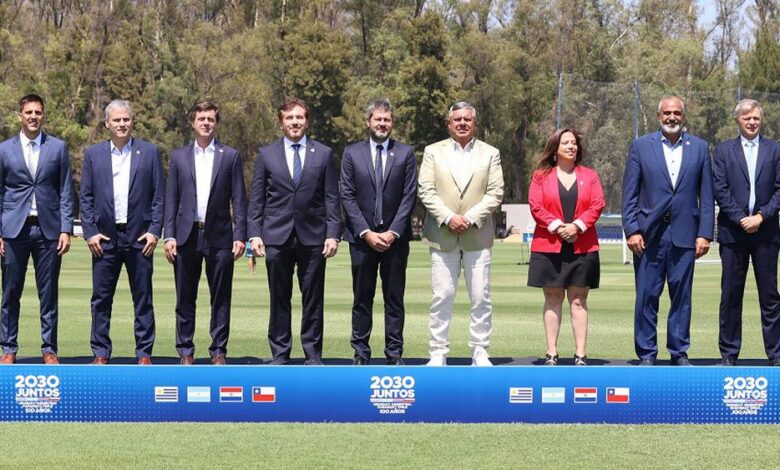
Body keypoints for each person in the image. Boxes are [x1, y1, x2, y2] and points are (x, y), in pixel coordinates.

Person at [622, 95, 714, 366]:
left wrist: (705, 233)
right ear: (658, 116)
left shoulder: (700, 148)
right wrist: (632, 230)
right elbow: (629, 194)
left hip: (686, 235)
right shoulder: (640, 146)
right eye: (667, 113)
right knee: (646, 297)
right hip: (647, 237)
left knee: (682, 298)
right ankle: (647, 353)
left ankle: (679, 352)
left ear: (683, 117)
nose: (672, 117)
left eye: (677, 113)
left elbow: (706, 196)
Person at [247, 97, 341, 365]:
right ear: (281, 123)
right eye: (289, 118)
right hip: (277, 236)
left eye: (299, 117)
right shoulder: (267, 154)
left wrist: (333, 233)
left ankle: (312, 354)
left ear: (307, 121)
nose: (295, 122)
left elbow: (331, 197)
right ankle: (280, 353)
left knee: (313, 298)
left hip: (314, 237)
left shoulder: (323, 153)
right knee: (279, 297)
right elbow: (257, 198)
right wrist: (254, 234)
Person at [418, 101, 504, 366]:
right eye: (457, 119)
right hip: (443, 235)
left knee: (480, 297)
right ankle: (438, 351)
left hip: (477, 235)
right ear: (449, 123)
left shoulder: (490, 153)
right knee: (442, 296)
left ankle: (480, 351)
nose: (462, 123)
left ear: (475, 123)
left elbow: (496, 192)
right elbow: (426, 190)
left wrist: (469, 218)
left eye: (467, 119)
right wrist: (448, 218)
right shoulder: (433, 152)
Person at [79, 100, 164, 365]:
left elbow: (158, 196)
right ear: (107, 123)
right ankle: (100, 352)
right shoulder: (93, 154)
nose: (122, 124)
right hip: (104, 239)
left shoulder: (149, 152)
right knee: (101, 299)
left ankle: (144, 353)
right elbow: (86, 197)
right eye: (116, 120)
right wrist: (90, 232)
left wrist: (154, 231)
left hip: (140, 238)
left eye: (126, 119)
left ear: (132, 121)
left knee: (143, 298)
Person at [164, 99, 247, 365]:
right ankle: (185, 351)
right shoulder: (179, 156)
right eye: (201, 119)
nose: (206, 123)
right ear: (193, 123)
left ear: (216, 123)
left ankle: (218, 350)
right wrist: (169, 235)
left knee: (220, 297)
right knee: (184, 297)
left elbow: (239, 199)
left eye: (210, 119)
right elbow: (171, 198)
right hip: (186, 235)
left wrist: (240, 235)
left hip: (220, 236)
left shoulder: (230, 156)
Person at [341, 99, 417, 365]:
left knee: (394, 299)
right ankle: (361, 353)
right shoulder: (351, 153)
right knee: (362, 298)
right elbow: (347, 196)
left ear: (392, 123)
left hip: (395, 241)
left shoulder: (405, 153)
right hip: (362, 240)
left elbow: (409, 196)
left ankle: (394, 353)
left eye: (387, 119)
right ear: (368, 122)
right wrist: (365, 232)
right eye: (378, 119)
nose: (382, 124)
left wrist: (393, 232)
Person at [0, 94, 74, 365]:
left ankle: (49, 349)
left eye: (38, 112)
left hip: (49, 231)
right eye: (29, 112)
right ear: (20, 115)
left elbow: (65, 190)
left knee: (49, 293)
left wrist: (66, 229)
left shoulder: (58, 147)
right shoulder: (4, 149)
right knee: (10, 293)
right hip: (13, 231)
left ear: (43, 115)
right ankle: (9, 349)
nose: (33, 117)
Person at [527, 129, 604, 366]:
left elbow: (597, 204)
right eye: (566, 143)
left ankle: (581, 354)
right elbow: (536, 206)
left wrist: (576, 227)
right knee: (552, 298)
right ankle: (551, 353)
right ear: (555, 148)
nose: (571, 146)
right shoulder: (540, 176)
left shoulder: (590, 176)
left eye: (574, 143)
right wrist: (559, 227)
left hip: (583, 246)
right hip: (549, 246)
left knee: (578, 300)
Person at [713, 99, 780, 366]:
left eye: (756, 118)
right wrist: (742, 219)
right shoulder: (723, 151)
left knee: (770, 296)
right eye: (747, 118)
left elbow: (779, 190)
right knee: (731, 296)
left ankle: (776, 355)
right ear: (737, 120)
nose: (752, 122)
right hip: (733, 233)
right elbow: (720, 189)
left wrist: (761, 217)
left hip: (767, 233)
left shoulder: (775, 149)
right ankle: (729, 355)